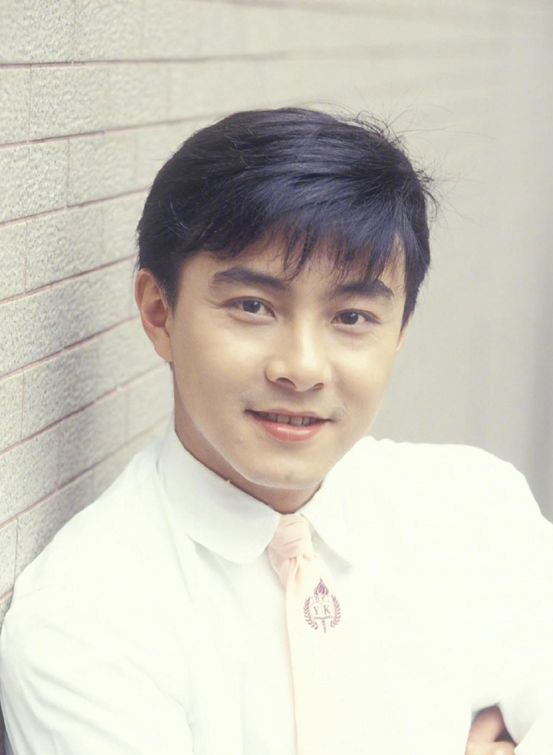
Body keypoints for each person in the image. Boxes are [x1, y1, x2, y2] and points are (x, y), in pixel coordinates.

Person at [0, 107, 552, 755]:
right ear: (159, 312)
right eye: (253, 306)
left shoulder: (475, 509)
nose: (302, 367)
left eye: (352, 316)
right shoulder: (85, 618)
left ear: (399, 332)